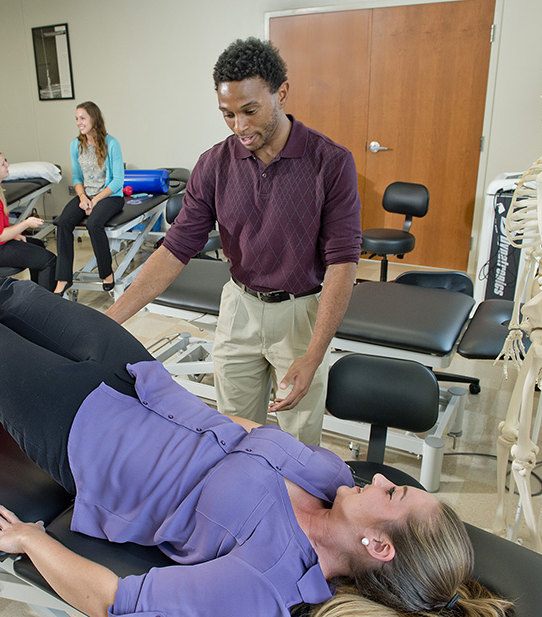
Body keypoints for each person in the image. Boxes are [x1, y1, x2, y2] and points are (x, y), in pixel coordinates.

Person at [0, 208, 510, 617]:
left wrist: (35, 542)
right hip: (141, 378)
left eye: (394, 493)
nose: (382, 477)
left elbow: (118, 601)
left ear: (380, 546)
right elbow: (246, 430)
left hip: (86, 435)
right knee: (9, 297)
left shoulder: (265, 582)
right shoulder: (328, 471)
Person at [105, 38, 362, 446]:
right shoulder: (214, 164)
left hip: (300, 315)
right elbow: (175, 248)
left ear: (281, 93)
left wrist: (314, 355)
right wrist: (110, 318)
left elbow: (342, 263)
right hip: (239, 307)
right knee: (234, 435)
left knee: (299, 444)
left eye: (249, 111)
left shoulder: (329, 162)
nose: (239, 127)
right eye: (227, 114)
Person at [53, 102, 125, 294]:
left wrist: (95, 200)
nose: (79, 122)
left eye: (82, 118)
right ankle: (63, 278)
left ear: (94, 118)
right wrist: (83, 197)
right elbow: (77, 178)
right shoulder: (75, 145)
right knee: (63, 223)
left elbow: (118, 181)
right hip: (86, 195)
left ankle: (106, 273)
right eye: (76, 118)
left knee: (94, 223)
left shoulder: (111, 143)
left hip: (110, 196)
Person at [0, 149, 56, 290]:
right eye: (2, 164)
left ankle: (38, 293)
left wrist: (15, 234)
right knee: (49, 260)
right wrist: (25, 224)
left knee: (38, 245)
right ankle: (47, 304)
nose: (8, 165)